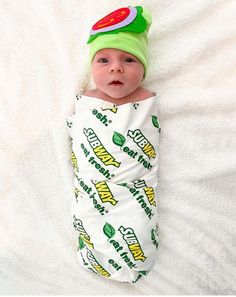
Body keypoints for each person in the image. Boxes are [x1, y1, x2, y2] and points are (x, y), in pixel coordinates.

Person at [67, 6, 161, 283]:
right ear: (91, 68)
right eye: (104, 60)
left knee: (139, 227)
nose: (116, 67)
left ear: (143, 71)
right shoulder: (86, 99)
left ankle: (137, 258)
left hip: (134, 191)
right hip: (94, 186)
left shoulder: (145, 100)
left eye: (129, 60)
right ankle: (93, 252)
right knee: (90, 218)